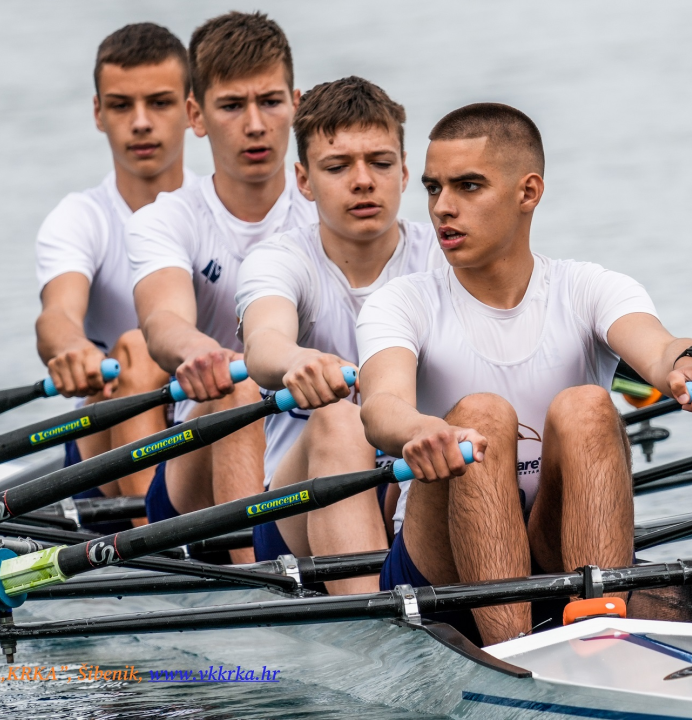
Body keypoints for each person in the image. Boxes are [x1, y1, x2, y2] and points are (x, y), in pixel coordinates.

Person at [356, 103, 692, 645]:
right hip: (441, 573)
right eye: (433, 188)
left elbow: (658, 346)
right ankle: (516, 655)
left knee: (587, 405)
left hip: (562, 546)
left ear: (528, 192)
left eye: (468, 187)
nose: (443, 208)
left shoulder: (589, 287)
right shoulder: (401, 302)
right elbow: (381, 405)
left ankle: (603, 630)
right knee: (479, 416)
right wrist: (420, 430)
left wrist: (688, 364)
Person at [235, 76, 439, 593]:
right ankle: (376, 633)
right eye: (338, 166)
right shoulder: (279, 260)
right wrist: (295, 361)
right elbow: (263, 341)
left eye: (380, 162)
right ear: (303, 180)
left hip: (414, 483)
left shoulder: (443, 257)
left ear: (405, 170)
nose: (364, 180)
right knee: (338, 419)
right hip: (296, 514)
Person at [127, 12, 316, 562]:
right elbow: (163, 322)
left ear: (296, 105)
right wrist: (199, 352)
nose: (255, 125)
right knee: (239, 388)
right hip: (198, 464)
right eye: (232, 106)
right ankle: (260, 587)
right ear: (196, 116)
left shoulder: (336, 211)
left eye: (271, 102)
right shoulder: (167, 219)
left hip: (311, 446)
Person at [34, 23, 196, 524]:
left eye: (160, 103)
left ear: (192, 109)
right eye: (122, 105)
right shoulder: (79, 217)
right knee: (135, 348)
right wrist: (72, 349)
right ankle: (162, 539)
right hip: (106, 434)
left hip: (202, 422)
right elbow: (58, 313)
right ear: (98, 114)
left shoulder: (213, 209)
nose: (141, 123)